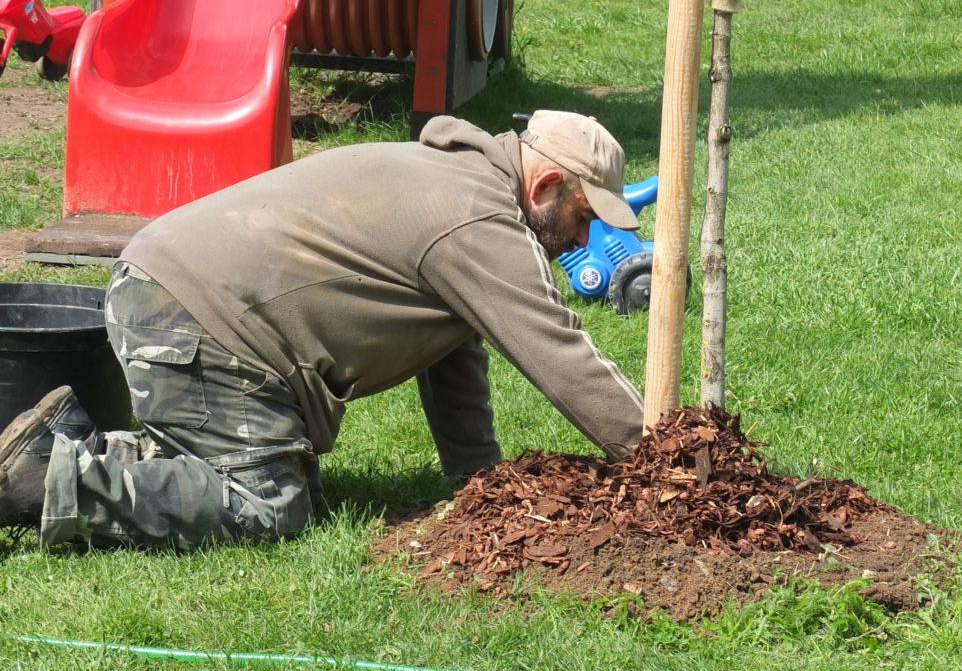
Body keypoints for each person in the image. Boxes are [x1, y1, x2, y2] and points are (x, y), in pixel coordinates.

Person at [0, 111, 646, 551]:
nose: (583, 238)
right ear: (547, 185)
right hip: (195, 315)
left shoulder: (458, 186)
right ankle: (46, 481)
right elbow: (562, 354)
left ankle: (76, 443)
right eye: (584, 216)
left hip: (172, 297)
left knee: (286, 477)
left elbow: (455, 357)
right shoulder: (477, 220)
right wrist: (664, 460)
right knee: (267, 505)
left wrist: (479, 481)